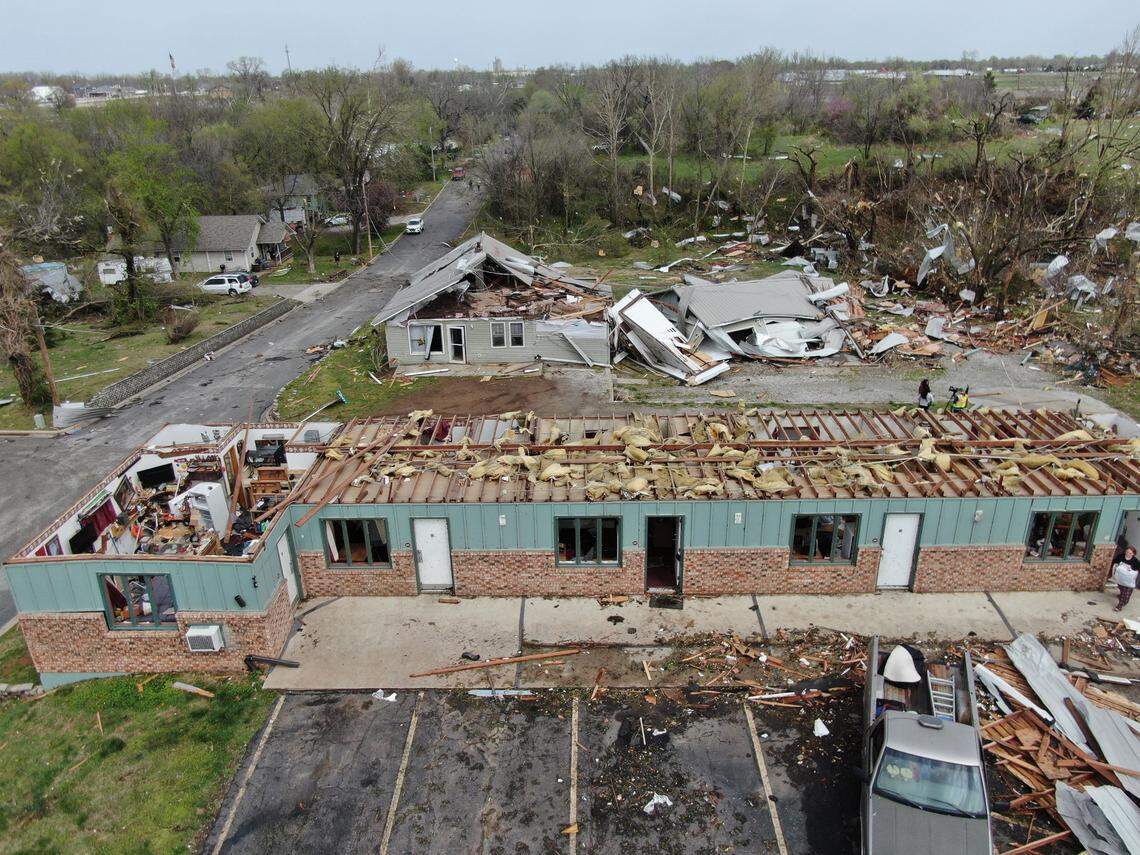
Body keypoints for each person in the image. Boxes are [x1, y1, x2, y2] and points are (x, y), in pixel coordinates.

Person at [1113, 547, 1138, 611]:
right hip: (1121, 579)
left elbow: (1137, 570)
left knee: (1126, 597)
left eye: (1130, 553)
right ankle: (1119, 606)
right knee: (1123, 591)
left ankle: (1122, 603)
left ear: (1133, 554)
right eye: (1127, 552)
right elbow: (1115, 562)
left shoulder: (1135, 561)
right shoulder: (1120, 557)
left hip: (1129, 581)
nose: (1128, 554)